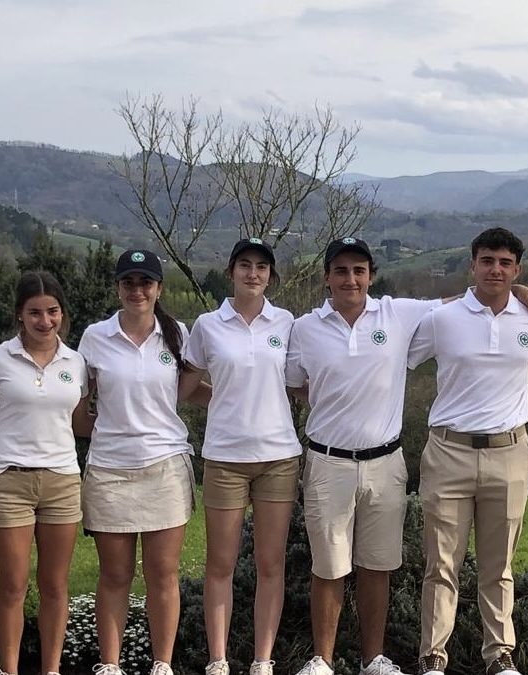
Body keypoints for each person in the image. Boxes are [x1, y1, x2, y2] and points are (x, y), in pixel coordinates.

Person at [285, 236, 528, 675]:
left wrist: (516, 291)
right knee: (329, 566)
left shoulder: (399, 313)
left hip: (386, 460)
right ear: (327, 277)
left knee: (378, 564)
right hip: (328, 460)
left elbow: (460, 300)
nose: (351, 279)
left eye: (359, 271)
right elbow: (296, 382)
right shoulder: (304, 327)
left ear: (371, 275)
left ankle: (375, 659)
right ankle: (322, 660)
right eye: (341, 271)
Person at [408, 228, 528, 675]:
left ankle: (499, 653)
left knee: (499, 564)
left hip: (510, 451)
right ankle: (433, 655)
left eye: (506, 263)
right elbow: (402, 358)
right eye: (488, 260)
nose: (496, 269)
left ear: (518, 269)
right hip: (448, 450)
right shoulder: (443, 320)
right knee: (441, 564)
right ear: (473, 264)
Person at [78, 249, 203, 675]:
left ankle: (161, 665)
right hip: (110, 468)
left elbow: (188, 383)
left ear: (159, 288)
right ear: (118, 288)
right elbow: (81, 400)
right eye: (129, 282)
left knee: (162, 575)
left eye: (145, 282)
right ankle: (110, 666)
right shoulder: (95, 337)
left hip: (165, 465)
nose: (137, 290)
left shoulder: (178, 334)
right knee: (114, 575)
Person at [178, 238, 299, 675]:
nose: (253, 273)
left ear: (270, 275)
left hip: (278, 458)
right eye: (245, 265)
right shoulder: (208, 325)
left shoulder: (286, 323)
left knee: (270, 565)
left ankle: (262, 661)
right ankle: (218, 660)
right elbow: (187, 389)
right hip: (225, 458)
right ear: (231, 271)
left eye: (262, 267)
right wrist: (226, 397)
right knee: (220, 564)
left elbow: (301, 381)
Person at [0, 271, 90, 675]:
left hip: (62, 480)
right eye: (35, 312)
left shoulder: (75, 362)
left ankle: (51, 669)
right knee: (13, 585)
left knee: (55, 587)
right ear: (19, 315)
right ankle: (9, 669)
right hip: (10, 480)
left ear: (62, 313)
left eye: (52, 311)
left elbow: (79, 424)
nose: (45, 321)